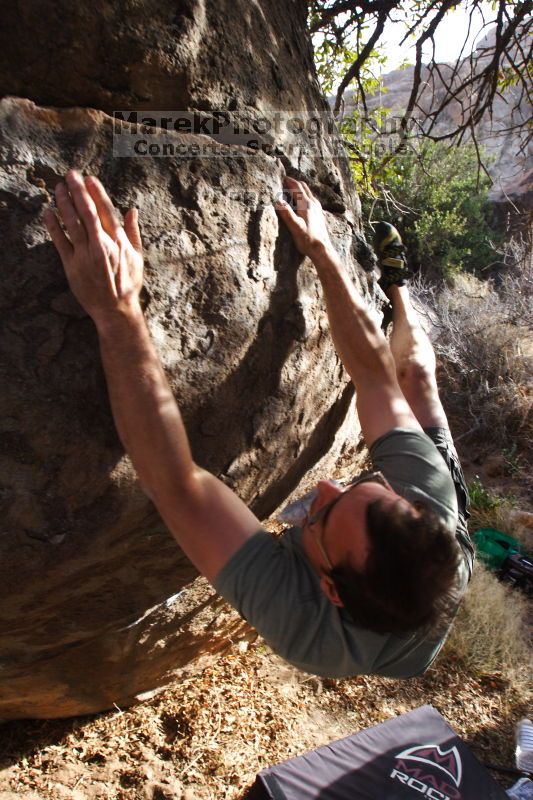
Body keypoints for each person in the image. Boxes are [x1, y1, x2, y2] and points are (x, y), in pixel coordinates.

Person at [43, 170, 474, 679]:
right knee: (416, 376)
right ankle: (398, 286)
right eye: (368, 486)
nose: (329, 485)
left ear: (328, 588)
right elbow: (375, 378)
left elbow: (175, 483)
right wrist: (321, 252)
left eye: (325, 514)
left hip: (384, 638)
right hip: (433, 538)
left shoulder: (308, 630)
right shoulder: (425, 498)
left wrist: (116, 312)